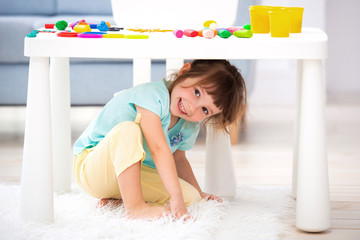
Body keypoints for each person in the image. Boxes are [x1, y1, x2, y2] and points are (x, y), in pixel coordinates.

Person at [73, 59, 247, 220]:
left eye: (205, 110)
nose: (192, 108)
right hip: (92, 166)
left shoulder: (188, 125)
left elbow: (179, 159)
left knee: (190, 197)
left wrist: (199, 194)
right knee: (128, 130)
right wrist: (175, 197)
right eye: (196, 92)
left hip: (129, 175)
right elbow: (158, 149)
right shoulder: (152, 96)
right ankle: (135, 208)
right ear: (184, 71)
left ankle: (118, 201)